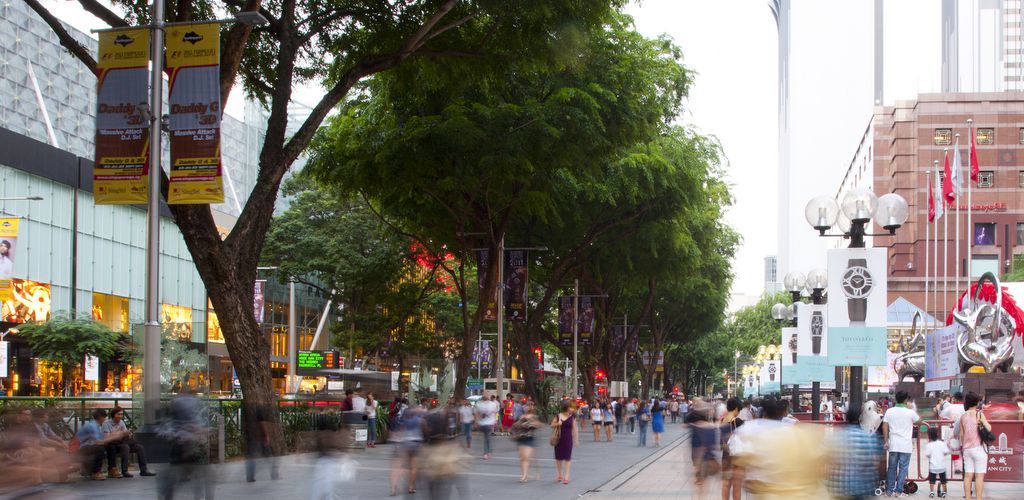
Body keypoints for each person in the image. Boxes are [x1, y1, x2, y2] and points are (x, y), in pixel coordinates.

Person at [825, 404, 884, 500]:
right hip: (862, 489)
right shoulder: (870, 438)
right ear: (860, 418)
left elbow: (825, 457)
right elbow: (876, 460)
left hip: (839, 489)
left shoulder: (836, 436)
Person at [882, 390, 920, 497]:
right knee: (903, 468)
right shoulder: (910, 412)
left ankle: (889, 491)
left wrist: (886, 441)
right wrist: (912, 409)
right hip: (906, 445)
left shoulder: (890, 411)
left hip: (893, 444)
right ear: (906, 400)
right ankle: (899, 491)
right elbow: (919, 421)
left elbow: (885, 426)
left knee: (892, 468)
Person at [103, 406, 155, 478]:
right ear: (114, 415)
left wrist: (128, 433)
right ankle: (125, 471)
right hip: (113, 444)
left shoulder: (121, 422)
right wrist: (119, 434)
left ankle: (144, 470)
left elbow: (125, 433)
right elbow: (107, 437)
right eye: (118, 414)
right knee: (125, 447)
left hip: (122, 441)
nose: (120, 416)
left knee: (140, 447)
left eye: (121, 414)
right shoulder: (107, 424)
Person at [75, 408, 126, 480]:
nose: (105, 420)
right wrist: (116, 436)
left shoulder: (97, 426)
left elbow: (102, 440)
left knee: (110, 446)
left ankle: (112, 469)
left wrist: (115, 436)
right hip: (81, 448)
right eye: (105, 418)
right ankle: (96, 472)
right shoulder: (92, 426)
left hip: (89, 445)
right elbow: (98, 442)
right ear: (101, 417)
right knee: (100, 448)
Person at [959, 392, 991, 500]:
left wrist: (964, 447)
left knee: (968, 476)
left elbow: (962, 435)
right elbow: (989, 428)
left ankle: (968, 498)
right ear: (977, 402)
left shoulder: (963, 416)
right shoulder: (979, 414)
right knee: (979, 476)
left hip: (967, 450)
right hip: (979, 449)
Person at [244, 401, 280, 482]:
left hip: (252, 436)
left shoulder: (249, 408)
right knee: (269, 456)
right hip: (259, 437)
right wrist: (266, 435)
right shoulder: (261, 409)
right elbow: (262, 423)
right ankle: (274, 474)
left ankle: (250, 476)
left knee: (252, 456)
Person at [720, 398, 745, 500]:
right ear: (735, 408)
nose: (738, 413)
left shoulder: (722, 421)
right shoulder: (738, 422)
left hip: (725, 455)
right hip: (737, 456)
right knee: (737, 485)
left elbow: (720, 440)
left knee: (726, 483)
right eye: (739, 410)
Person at [511, 404, 542, 482]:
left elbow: (539, 425)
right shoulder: (521, 416)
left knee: (526, 457)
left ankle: (527, 474)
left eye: (527, 407)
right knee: (522, 458)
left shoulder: (533, 416)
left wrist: (531, 422)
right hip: (521, 438)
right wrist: (520, 422)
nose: (526, 408)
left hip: (529, 438)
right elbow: (515, 425)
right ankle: (524, 475)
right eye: (525, 407)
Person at [552, 399, 578, 485]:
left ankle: (566, 476)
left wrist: (575, 439)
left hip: (568, 439)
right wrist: (557, 424)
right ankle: (559, 474)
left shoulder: (572, 417)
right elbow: (551, 425)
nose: (572, 409)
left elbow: (574, 429)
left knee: (567, 457)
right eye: (570, 407)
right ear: (566, 408)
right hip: (558, 438)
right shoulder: (558, 416)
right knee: (558, 457)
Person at [923, 426, 949, 498]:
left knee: (932, 480)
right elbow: (946, 452)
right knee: (943, 480)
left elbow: (927, 454)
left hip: (933, 466)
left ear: (929, 436)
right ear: (937, 434)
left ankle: (932, 492)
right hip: (941, 466)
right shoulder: (941, 443)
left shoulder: (929, 445)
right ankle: (944, 492)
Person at [473, 391, 499, 459]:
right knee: (488, 438)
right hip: (489, 424)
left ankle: (486, 453)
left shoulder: (478, 404)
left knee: (486, 438)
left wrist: (476, 423)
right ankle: (488, 452)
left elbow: (476, 414)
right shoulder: (493, 404)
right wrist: (495, 421)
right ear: (489, 397)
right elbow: (495, 413)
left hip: (482, 424)